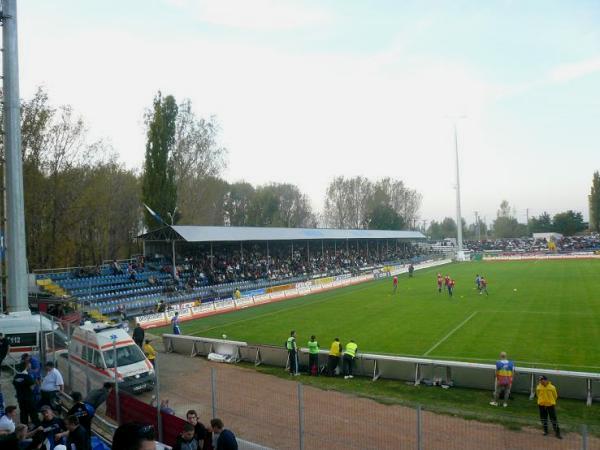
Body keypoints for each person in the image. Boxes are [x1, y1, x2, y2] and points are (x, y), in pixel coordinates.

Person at [12, 360, 38, 426]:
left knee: (23, 413)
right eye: (29, 365)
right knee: (33, 413)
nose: (30, 366)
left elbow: (15, 386)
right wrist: (35, 383)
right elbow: (32, 388)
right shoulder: (27, 377)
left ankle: (24, 427)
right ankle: (36, 426)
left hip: (20, 399)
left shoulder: (16, 377)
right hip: (29, 399)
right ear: (26, 367)